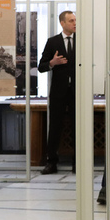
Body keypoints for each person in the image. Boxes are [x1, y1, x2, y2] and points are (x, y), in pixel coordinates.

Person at [38, 11, 76, 174]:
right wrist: (52, 63)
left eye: (75, 20)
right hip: (58, 92)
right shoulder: (52, 42)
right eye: (71, 21)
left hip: (77, 92)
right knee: (54, 127)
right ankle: (51, 162)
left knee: (78, 127)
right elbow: (41, 66)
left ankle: (78, 162)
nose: (75, 23)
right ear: (62, 23)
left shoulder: (82, 41)